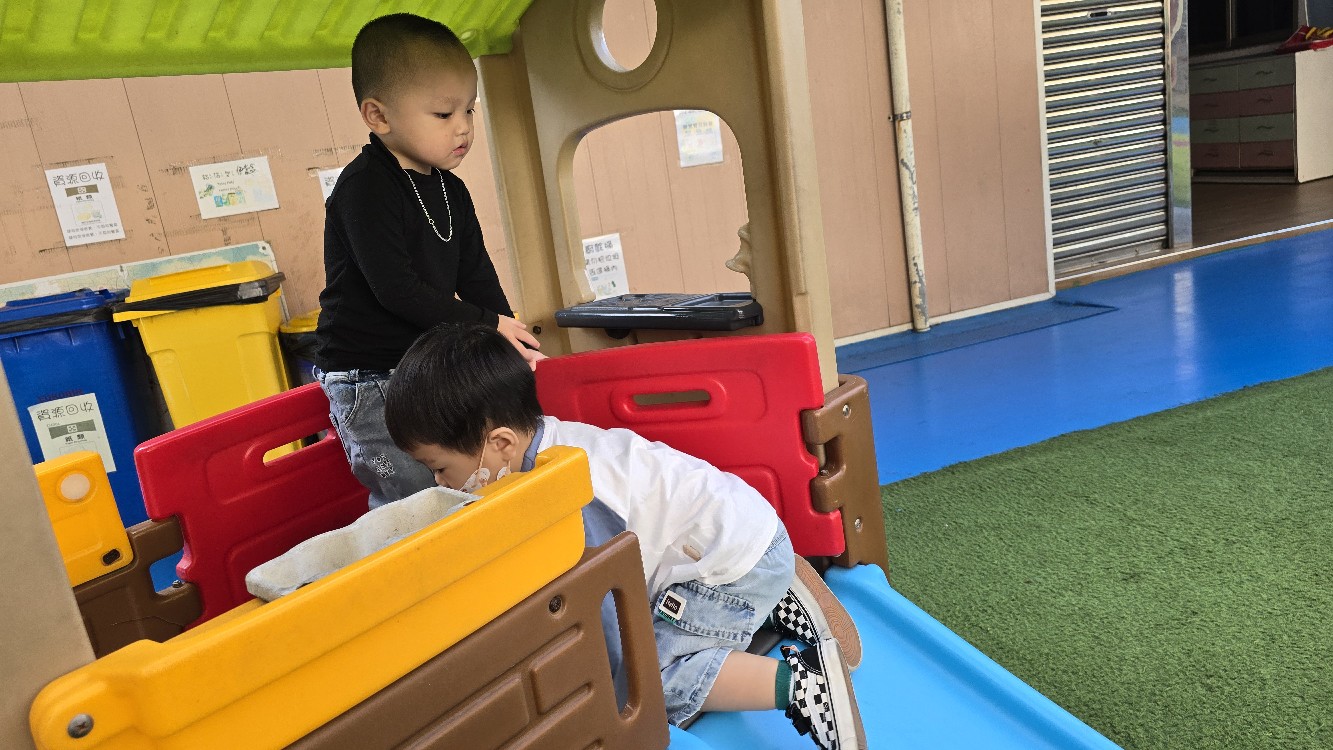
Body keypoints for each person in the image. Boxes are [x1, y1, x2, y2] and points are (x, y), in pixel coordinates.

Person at [383, 323, 868, 750]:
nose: (440, 484)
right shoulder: (546, 443)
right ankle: (775, 592)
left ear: (501, 444)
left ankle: (806, 686)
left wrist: (618, 701)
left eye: (440, 469)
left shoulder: (571, 493)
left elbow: (609, 603)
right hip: (737, 529)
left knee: (654, 684)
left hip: (730, 566)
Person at [313, 14, 541, 509]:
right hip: (369, 377)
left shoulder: (450, 189)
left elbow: (476, 274)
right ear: (378, 116)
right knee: (414, 497)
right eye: (443, 114)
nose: (463, 127)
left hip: (421, 366)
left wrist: (512, 341)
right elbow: (397, 289)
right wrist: (488, 325)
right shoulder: (365, 188)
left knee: (462, 479)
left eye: (469, 110)